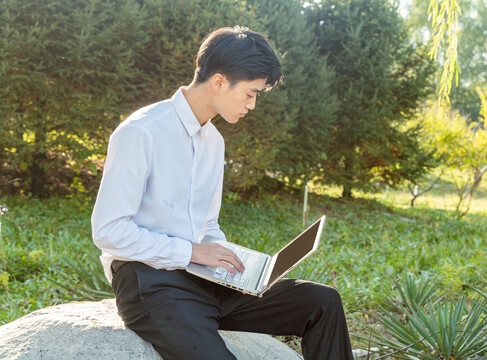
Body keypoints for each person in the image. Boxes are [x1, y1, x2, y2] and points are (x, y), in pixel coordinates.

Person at [91, 26, 353, 360]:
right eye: (250, 93)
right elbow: (108, 231)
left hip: (201, 278)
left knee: (322, 301)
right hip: (148, 282)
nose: (252, 105)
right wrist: (192, 253)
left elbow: (206, 225)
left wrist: (235, 266)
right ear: (218, 81)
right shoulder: (140, 132)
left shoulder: (214, 142)